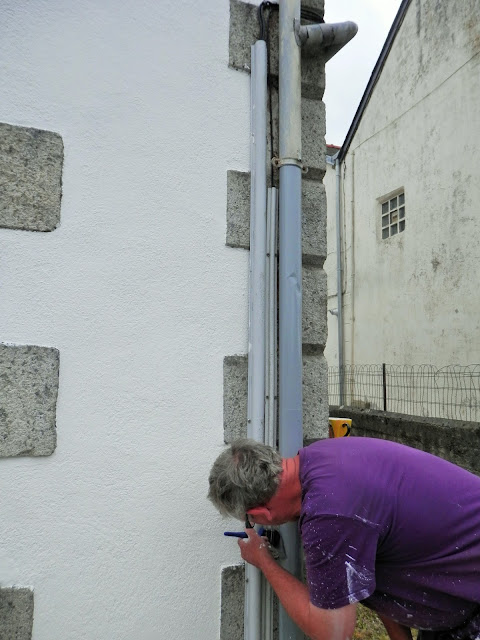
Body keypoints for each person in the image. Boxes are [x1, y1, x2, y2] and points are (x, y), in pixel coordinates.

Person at [208, 437, 480, 640]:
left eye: (249, 520)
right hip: (458, 603)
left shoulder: (329, 516)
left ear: (259, 513)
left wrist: (264, 561)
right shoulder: (323, 456)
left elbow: (333, 632)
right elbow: (375, 566)